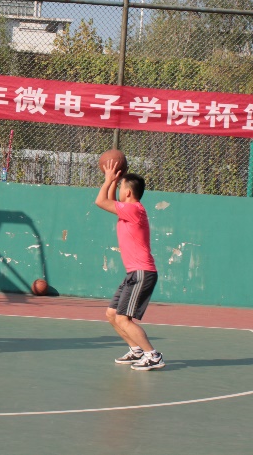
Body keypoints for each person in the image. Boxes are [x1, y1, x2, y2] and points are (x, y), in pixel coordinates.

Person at [94, 158, 164, 371]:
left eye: (121, 187)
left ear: (128, 193)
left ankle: (153, 355)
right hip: (133, 273)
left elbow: (101, 201)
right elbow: (110, 200)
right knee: (112, 314)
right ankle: (136, 350)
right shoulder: (128, 209)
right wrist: (115, 181)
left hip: (142, 273)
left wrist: (108, 180)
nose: (118, 190)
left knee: (124, 319)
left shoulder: (134, 210)